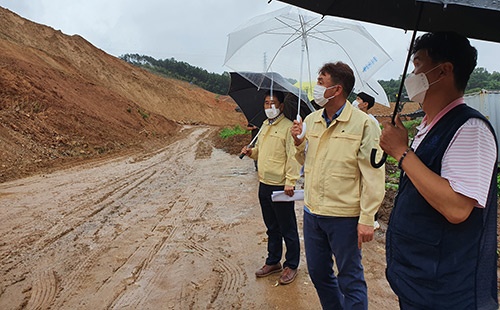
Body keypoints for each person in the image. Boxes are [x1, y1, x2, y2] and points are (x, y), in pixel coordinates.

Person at [379, 32, 498, 309]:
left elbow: (457, 208)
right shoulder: (429, 125)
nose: (413, 73)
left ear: (444, 70)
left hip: (446, 292)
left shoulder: (470, 128)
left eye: (418, 64)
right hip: (420, 282)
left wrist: (401, 152)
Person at [291, 62, 385, 309]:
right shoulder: (311, 120)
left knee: (350, 278)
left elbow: (373, 174)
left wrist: (367, 217)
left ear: (337, 89)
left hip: (344, 216)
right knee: (319, 273)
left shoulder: (364, 124)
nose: (316, 87)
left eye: (321, 82)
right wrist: (298, 142)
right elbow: (305, 161)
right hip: (313, 213)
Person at [241, 90, 301, 285]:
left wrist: (290, 181)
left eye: (273, 103)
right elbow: (262, 152)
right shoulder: (264, 126)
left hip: (281, 188)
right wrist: (251, 152)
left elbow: (293, 156)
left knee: (287, 228)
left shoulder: (288, 128)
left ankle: (291, 265)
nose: (269, 107)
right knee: (272, 227)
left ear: (281, 106)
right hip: (264, 184)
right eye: (266, 103)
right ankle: (273, 261)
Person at [353, 92, 381, 230]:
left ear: (365, 104)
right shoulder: (356, 118)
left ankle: (372, 218)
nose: (355, 101)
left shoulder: (371, 122)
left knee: (369, 187)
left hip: (368, 160)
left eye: (358, 99)